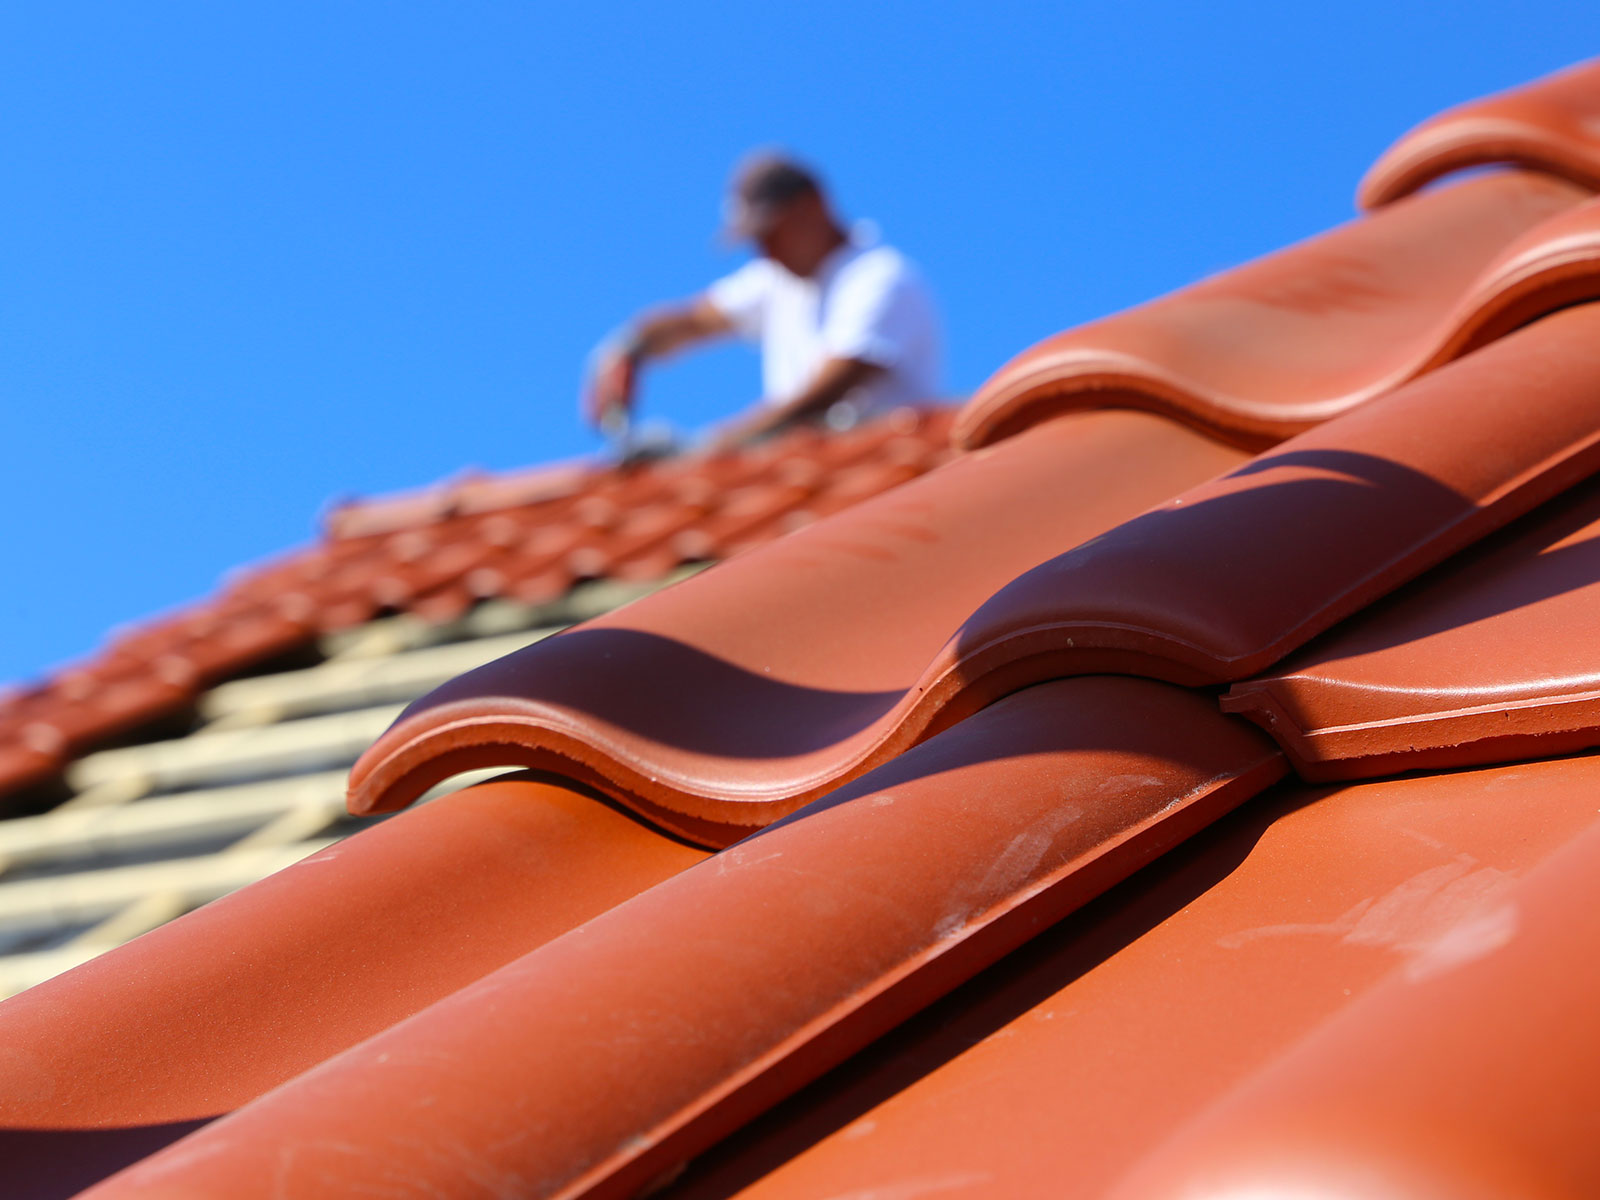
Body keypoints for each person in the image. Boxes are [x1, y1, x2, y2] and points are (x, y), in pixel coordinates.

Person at [583, 152, 942, 452]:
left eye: (771, 232)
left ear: (812, 206)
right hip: (810, 467)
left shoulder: (879, 278)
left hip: (885, 466)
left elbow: (824, 394)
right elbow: (693, 321)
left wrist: (706, 445)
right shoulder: (777, 280)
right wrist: (627, 348)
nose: (764, 250)